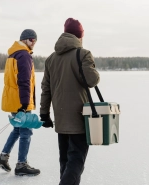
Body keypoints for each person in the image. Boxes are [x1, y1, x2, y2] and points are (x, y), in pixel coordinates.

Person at [40, 18, 100, 184]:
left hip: (60, 118)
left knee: (65, 162)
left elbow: (46, 89)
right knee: (75, 162)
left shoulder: (51, 59)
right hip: (79, 117)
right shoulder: (83, 54)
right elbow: (92, 81)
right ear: (79, 36)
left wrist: (44, 114)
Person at [0, 29, 40, 176]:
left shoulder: (13, 54)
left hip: (13, 99)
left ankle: (3, 157)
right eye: (32, 40)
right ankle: (21, 165)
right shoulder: (24, 55)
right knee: (26, 131)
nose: (34, 43)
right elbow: (24, 81)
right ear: (26, 40)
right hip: (21, 101)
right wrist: (25, 104)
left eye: (35, 41)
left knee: (18, 129)